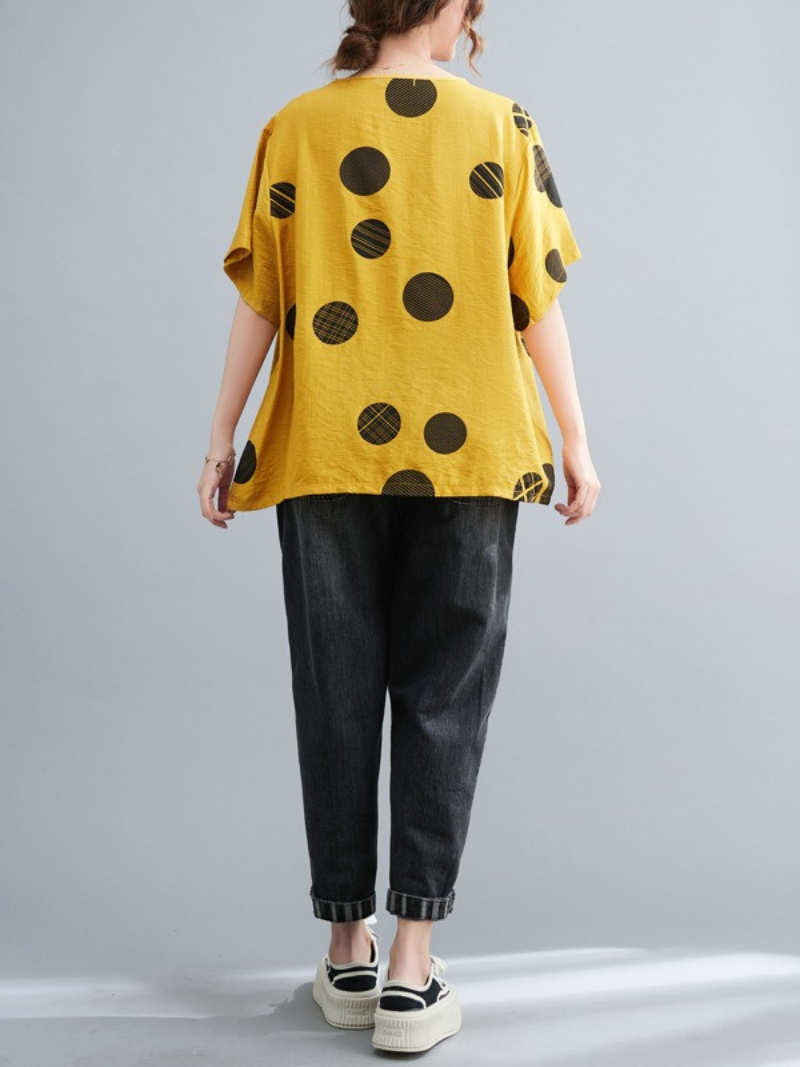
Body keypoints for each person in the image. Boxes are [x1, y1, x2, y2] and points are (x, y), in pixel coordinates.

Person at [197, 0, 600, 1053]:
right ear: (455, 7)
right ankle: (411, 969)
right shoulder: (503, 124)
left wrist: (222, 435)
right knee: (444, 695)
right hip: (472, 448)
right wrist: (575, 437)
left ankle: (347, 947)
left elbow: (264, 293)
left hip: (326, 440)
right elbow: (535, 295)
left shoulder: (296, 126)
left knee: (334, 688)